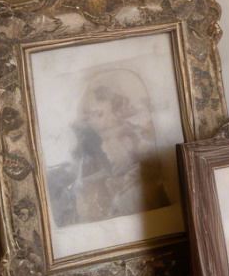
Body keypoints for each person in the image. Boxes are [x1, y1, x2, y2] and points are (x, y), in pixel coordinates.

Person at [46, 67, 170, 226]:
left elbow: (144, 156)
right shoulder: (92, 142)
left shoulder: (129, 133)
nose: (92, 120)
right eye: (89, 115)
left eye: (98, 114)